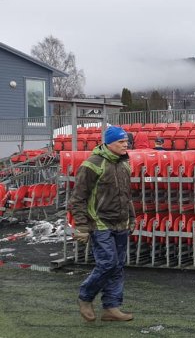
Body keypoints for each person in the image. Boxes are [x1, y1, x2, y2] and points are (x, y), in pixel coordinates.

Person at [71, 125, 135, 322]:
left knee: (117, 266)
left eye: (126, 141)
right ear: (108, 143)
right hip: (100, 223)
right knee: (107, 263)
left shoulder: (125, 164)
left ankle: (111, 308)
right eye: (121, 142)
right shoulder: (92, 164)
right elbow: (78, 198)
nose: (125, 145)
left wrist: (131, 218)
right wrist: (82, 227)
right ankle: (85, 296)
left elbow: (127, 195)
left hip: (121, 223)